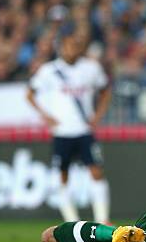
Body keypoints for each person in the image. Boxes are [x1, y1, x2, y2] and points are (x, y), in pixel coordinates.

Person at [26, 31, 112, 223]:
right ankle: (71, 219)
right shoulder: (49, 70)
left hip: (84, 131)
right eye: (67, 45)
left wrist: (98, 115)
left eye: (74, 45)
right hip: (62, 132)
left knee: (96, 171)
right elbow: (30, 94)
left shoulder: (91, 68)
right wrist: (46, 117)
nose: (71, 49)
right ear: (61, 48)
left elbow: (106, 90)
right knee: (62, 175)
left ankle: (103, 218)